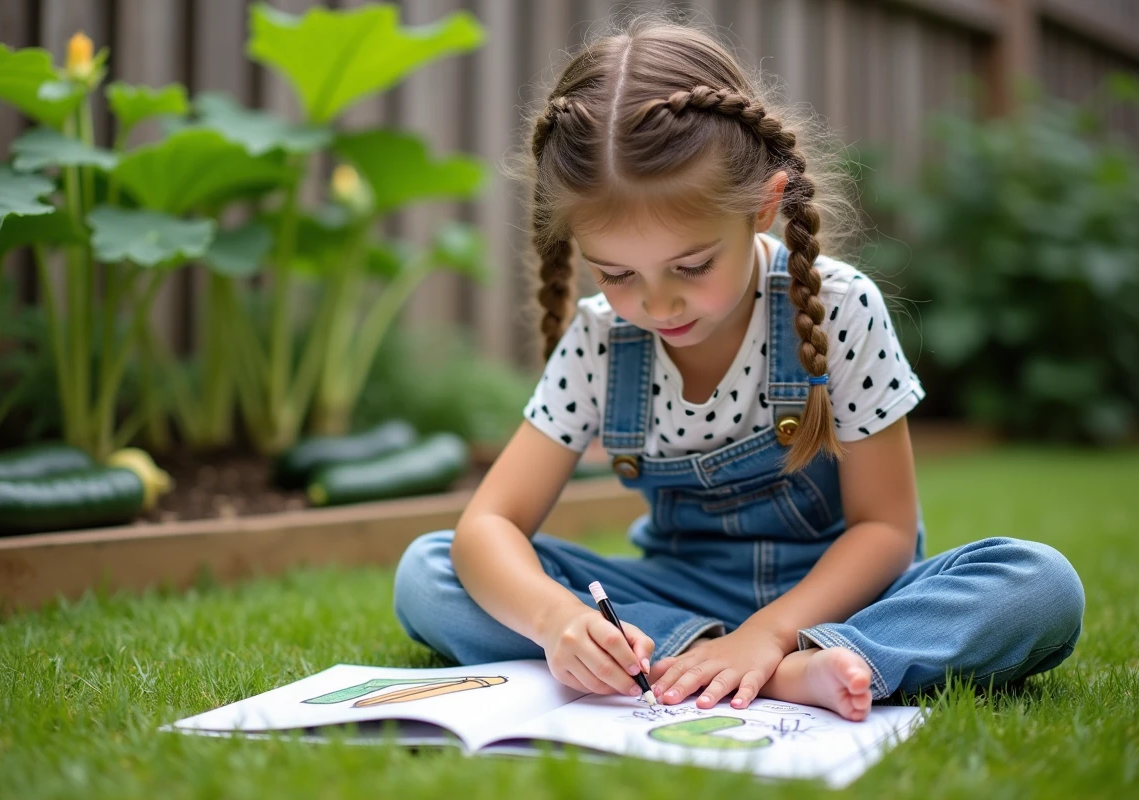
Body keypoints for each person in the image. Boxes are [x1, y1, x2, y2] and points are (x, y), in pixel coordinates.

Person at [393, 15, 1084, 721]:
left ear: (764, 206)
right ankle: (707, 658)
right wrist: (556, 623)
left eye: (691, 265)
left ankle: (789, 661)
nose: (656, 301)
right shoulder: (600, 339)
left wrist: (770, 632)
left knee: (1037, 585)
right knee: (432, 570)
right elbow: (489, 525)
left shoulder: (840, 307)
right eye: (617, 271)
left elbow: (884, 530)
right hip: (674, 597)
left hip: (838, 596)